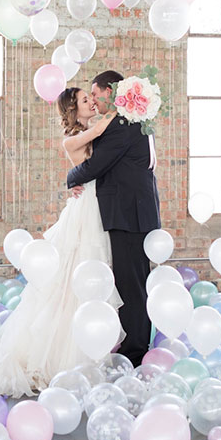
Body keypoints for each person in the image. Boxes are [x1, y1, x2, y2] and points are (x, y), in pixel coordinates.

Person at [0, 87, 121, 397]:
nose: (92, 102)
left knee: (94, 274)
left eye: (92, 98)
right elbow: (103, 131)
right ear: (73, 111)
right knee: (70, 279)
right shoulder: (75, 139)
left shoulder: (93, 131)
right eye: (85, 100)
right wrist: (128, 102)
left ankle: (95, 343)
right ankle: (63, 355)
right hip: (85, 214)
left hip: (98, 208)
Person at [67, 70, 161, 367]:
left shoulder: (122, 123)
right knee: (134, 281)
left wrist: (70, 178)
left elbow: (96, 165)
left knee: (131, 284)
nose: (93, 100)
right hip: (133, 211)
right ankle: (135, 341)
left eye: (95, 94)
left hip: (128, 214)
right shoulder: (133, 120)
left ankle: (135, 351)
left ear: (110, 91)